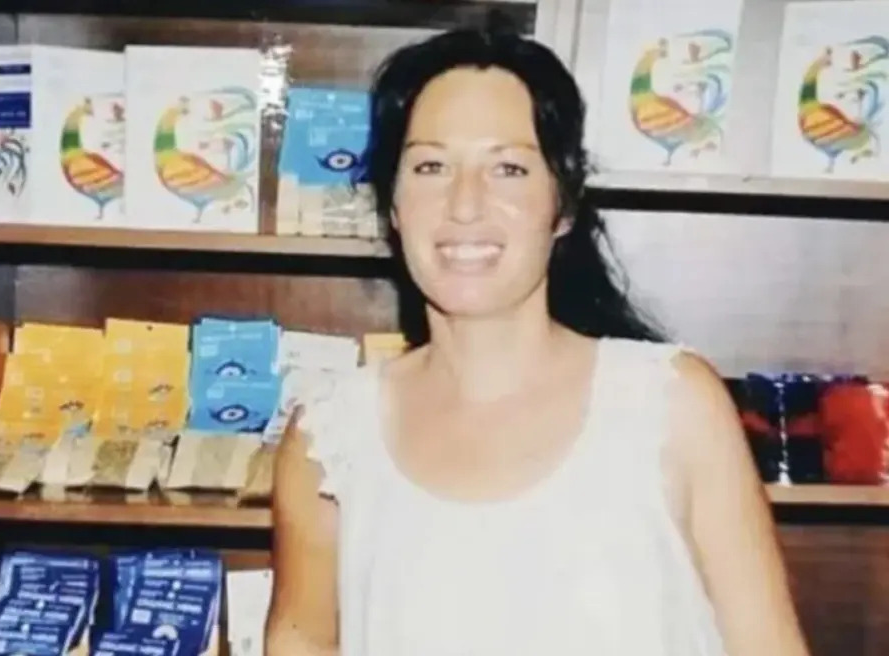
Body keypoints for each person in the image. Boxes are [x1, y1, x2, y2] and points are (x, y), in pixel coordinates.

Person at [264, 28, 810, 656]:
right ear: (392, 204)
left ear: (563, 204)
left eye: (509, 168)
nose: (465, 205)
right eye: (431, 166)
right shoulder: (331, 438)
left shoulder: (670, 403)